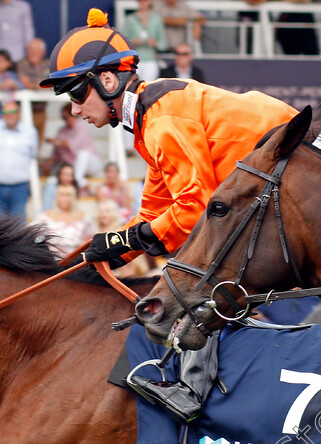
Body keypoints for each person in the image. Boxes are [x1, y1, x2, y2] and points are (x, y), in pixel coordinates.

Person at [40, 8, 298, 424]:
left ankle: (193, 391)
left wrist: (129, 240)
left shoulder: (162, 119)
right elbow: (156, 213)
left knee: (194, 276)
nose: (73, 110)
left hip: (296, 170)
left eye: (74, 94)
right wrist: (101, 255)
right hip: (271, 179)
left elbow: (191, 213)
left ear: (106, 81)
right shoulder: (148, 120)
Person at [44, 103, 102, 189]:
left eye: (65, 117)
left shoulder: (82, 125)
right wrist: (45, 165)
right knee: (56, 175)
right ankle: (78, 181)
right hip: (72, 166)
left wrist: (56, 141)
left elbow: (74, 144)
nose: (64, 120)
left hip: (90, 164)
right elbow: (55, 154)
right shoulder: (62, 131)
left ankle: (79, 179)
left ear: (73, 115)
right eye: (62, 118)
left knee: (83, 154)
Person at [30, 184, 96, 256]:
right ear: (57, 197)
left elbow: (91, 239)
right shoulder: (45, 217)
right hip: (52, 258)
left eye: (68, 195)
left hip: (77, 258)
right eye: (62, 195)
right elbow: (30, 233)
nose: (65, 199)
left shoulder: (84, 218)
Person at [0, 100, 38, 219]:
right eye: (6, 112)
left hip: (20, 187)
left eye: (12, 111)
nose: (9, 114)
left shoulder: (30, 131)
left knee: (18, 226)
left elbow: (33, 154)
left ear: (18, 113)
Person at [16, 38, 50, 147]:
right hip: (24, 110)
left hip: (41, 110)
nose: (32, 52)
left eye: (35, 49)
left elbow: (53, 82)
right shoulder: (22, 64)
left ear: (43, 52)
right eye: (30, 49)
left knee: (38, 143)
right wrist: (40, 85)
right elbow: (25, 82)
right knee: (24, 142)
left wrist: (37, 85)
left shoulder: (48, 64)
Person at [122, 0, 167, 81]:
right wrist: (133, 42)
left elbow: (163, 44)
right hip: (134, 60)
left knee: (148, 87)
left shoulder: (157, 19)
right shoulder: (130, 19)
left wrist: (154, 43)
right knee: (132, 87)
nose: (144, 2)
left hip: (151, 60)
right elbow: (123, 42)